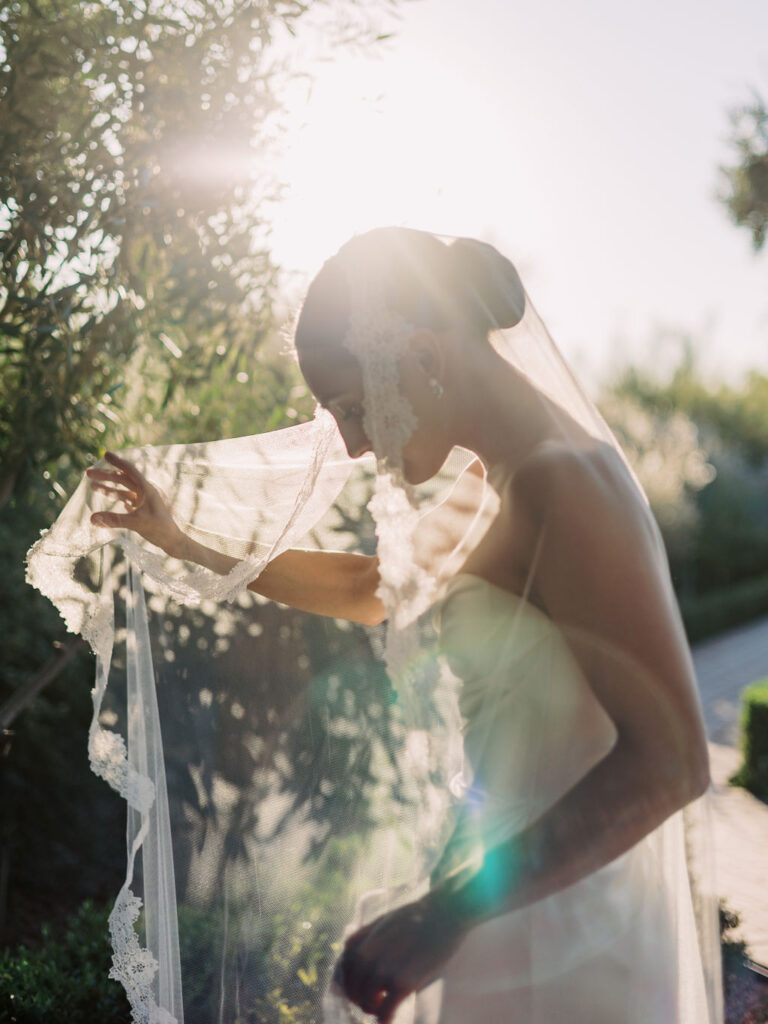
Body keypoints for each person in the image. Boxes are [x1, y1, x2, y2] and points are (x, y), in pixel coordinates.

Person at [32, 228, 722, 1023]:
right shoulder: (496, 478)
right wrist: (184, 539)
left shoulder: (564, 483)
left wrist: (446, 913)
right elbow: (372, 587)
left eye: (354, 408)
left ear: (425, 358)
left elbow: (673, 763)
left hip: (567, 930)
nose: (356, 444)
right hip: (505, 905)